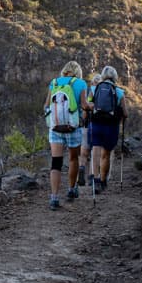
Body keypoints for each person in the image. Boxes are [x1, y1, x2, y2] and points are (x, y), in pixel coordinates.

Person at [44, 61, 89, 209]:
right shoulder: (81, 83)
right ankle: (71, 189)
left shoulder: (54, 82)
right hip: (72, 128)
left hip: (55, 128)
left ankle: (54, 198)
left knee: (55, 162)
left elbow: (46, 105)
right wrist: (92, 107)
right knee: (73, 158)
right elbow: (84, 105)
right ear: (78, 71)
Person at [88, 66, 128, 192]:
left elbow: (88, 105)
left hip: (96, 124)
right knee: (105, 154)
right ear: (115, 77)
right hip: (111, 126)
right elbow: (125, 113)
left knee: (95, 150)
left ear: (103, 76)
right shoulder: (119, 92)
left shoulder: (94, 89)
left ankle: (94, 179)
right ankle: (103, 181)